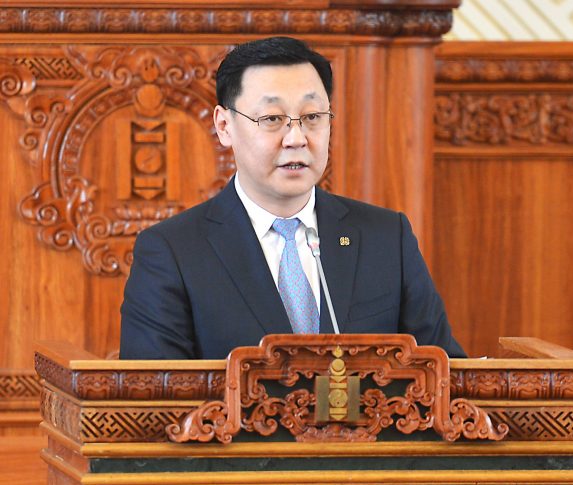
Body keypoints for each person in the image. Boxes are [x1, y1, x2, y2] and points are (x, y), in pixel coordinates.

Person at [120, 37, 466, 359]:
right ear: (224, 126)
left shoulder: (387, 237)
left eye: (312, 117)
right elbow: (153, 394)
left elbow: (444, 372)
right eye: (272, 119)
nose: (296, 138)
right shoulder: (172, 252)